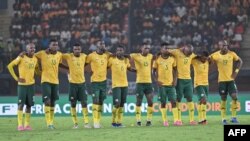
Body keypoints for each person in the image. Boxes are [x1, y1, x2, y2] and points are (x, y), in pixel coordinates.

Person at [210, 40, 243, 124]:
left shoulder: (232, 54)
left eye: (226, 45)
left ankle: (234, 117)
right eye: (223, 45)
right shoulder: (215, 55)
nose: (225, 47)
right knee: (223, 98)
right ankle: (223, 119)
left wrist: (235, 72)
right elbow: (207, 60)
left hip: (231, 80)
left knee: (234, 96)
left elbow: (240, 61)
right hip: (222, 81)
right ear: (219, 46)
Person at [7, 43, 39, 131]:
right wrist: (16, 78)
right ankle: (20, 125)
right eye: (30, 48)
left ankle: (27, 125)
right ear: (26, 49)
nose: (32, 49)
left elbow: (35, 69)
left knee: (29, 105)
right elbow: (10, 66)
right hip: (22, 86)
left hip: (31, 86)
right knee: (21, 105)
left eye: (33, 48)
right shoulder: (21, 57)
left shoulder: (35, 59)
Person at [35, 39, 63, 129]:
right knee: (47, 101)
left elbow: (60, 65)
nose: (55, 46)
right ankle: (48, 123)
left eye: (56, 44)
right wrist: (38, 68)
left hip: (55, 81)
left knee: (53, 102)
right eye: (53, 44)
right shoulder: (42, 53)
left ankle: (51, 122)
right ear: (49, 45)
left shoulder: (59, 55)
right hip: (45, 80)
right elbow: (32, 56)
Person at [62, 43, 90, 129]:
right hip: (72, 84)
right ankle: (75, 123)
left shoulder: (84, 56)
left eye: (79, 49)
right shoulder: (68, 56)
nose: (77, 51)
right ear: (73, 50)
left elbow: (88, 62)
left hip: (82, 83)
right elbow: (58, 56)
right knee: (73, 103)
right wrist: (67, 69)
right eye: (75, 49)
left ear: (81, 50)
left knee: (84, 102)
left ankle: (86, 122)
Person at [168, 44, 197, 125]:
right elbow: (167, 50)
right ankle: (178, 120)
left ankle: (191, 120)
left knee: (190, 99)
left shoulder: (191, 55)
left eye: (190, 53)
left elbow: (198, 57)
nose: (189, 54)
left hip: (188, 80)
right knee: (178, 99)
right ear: (184, 49)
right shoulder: (177, 52)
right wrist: (178, 48)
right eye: (188, 52)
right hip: (179, 80)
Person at [108, 45, 135, 127]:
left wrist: (137, 70)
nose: (119, 52)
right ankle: (113, 122)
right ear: (116, 51)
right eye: (118, 50)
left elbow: (129, 68)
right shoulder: (112, 60)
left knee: (122, 104)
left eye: (121, 50)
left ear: (124, 51)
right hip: (116, 85)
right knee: (117, 103)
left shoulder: (126, 60)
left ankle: (119, 122)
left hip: (125, 85)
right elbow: (106, 66)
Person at [86, 40, 111, 128]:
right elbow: (84, 64)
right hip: (95, 82)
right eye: (101, 44)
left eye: (104, 44)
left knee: (101, 101)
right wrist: (89, 71)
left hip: (103, 82)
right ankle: (95, 122)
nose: (102, 45)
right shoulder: (91, 56)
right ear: (96, 46)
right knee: (95, 100)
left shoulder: (106, 55)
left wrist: (106, 50)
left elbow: (113, 56)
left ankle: (98, 121)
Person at [152, 42, 178, 126]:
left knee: (173, 102)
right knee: (163, 103)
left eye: (167, 48)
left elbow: (175, 70)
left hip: (171, 85)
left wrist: (175, 80)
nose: (166, 50)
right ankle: (165, 121)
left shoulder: (172, 58)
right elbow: (153, 71)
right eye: (164, 48)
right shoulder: (157, 59)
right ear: (161, 50)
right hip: (162, 85)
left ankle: (176, 120)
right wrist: (156, 80)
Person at [130, 41, 154, 126]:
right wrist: (130, 68)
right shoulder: (136, 56)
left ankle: (149, 120)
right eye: (145, 48)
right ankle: (138, 120)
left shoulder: (151, 56)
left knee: (150, 101)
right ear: (141, 49)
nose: (147, 49)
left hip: (148, 83)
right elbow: (126, 57)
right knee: (139, 102)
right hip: (140, 83)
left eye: (148, 48)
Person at [191, 51, 210, 125]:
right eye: (204, 57)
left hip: (206, 84)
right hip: (198, 84)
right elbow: (190, 57)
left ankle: (201, 119)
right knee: (203, 100)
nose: (205, 59)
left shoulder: (207, 62)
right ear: (201, 56)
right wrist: (197, 56)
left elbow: (211, 60)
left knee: (203, 102)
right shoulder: (195, 61)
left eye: (206, 57)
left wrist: (208, 58)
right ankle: (202, 119)